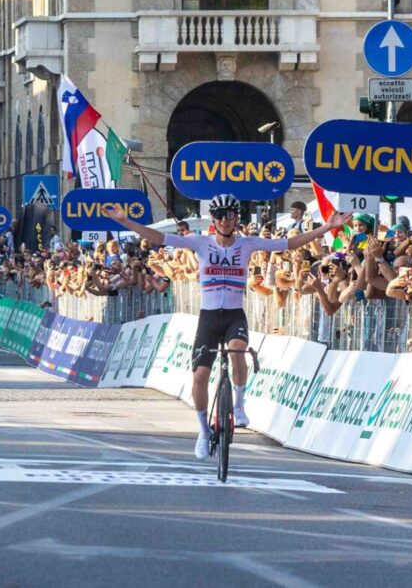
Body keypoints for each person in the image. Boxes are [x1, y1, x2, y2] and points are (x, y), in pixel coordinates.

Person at [105, 194, 345, 459]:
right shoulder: (200, 243)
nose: (225, 220)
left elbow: (288, 243)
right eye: (220, 216)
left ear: (236, 219)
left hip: (234, 315)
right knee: (199, 377)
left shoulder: (248, 244)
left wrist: (325, 228)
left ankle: (239, 405)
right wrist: (125, 221)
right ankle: (203, 432)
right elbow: (158, 238)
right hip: (208, 318)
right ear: (215, 220)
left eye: (230, 215)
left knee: (238, 350)